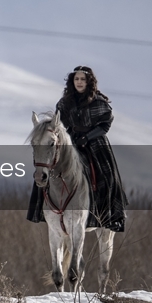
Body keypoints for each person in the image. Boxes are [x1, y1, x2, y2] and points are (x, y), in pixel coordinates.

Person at [27, 65, 127, 232]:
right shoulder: (64, 103)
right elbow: (59, 126)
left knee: (107, 176)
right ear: (72, 81)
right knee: (45, 169)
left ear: (89, 81)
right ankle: (43, 210)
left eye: (82, 79)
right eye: (76, 79)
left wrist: (87, 137)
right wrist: (71, 137)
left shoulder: (99, 103)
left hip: (95, 144)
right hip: (70, 142)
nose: (79, 82)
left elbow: (105, 125)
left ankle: (110, 217)